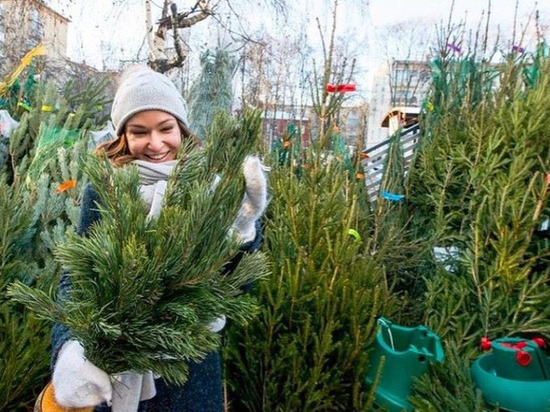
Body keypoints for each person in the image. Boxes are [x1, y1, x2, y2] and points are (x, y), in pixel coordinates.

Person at [49, 67, 267, 412]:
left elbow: (239, 289)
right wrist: (71, 347)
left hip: (189, 374)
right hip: (116, 369)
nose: (155, 143)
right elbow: (76, 276)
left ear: (181, 127)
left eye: (166, 128)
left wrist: (242, 231)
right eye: (139, 131)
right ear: (123, 135)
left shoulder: (210, 187)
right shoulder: (106, 186)